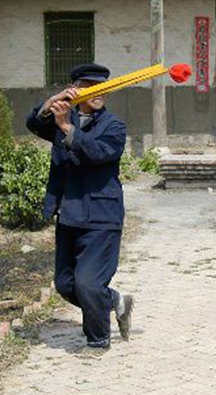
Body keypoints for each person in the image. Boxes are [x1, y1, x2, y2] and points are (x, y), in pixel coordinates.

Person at [26, 63, 133, 357]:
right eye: (89, 86)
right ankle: (114, 300)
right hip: (70, 213)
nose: (99, 92)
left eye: (103, 86)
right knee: (65, 284)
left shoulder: (113, 126)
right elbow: (34, 123)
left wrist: (68, 129)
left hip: (102, 215)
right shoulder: (63, 117)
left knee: (88, 283)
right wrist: (53, 102)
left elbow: (99, 153)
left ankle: (97, 340)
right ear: (76, 89)